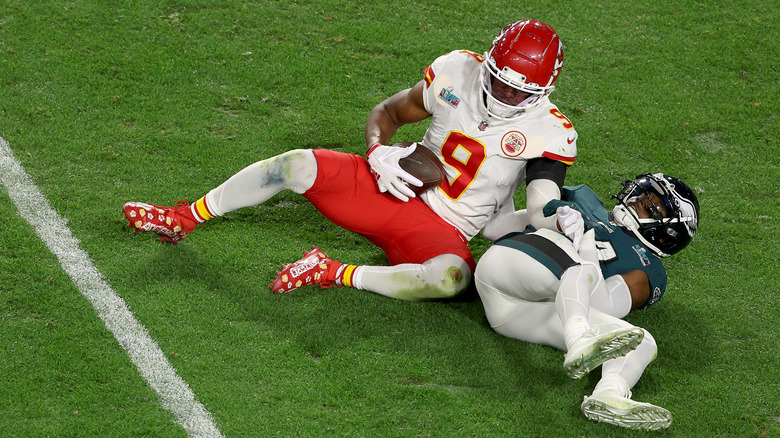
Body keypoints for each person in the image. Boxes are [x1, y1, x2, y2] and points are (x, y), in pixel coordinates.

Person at [122, 19, 579, 301]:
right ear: (490, 59)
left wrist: (561, 220)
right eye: (499, 80)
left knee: (454, 279)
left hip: (442, 228)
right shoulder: (458, 69)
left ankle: (330, 271)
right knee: (297, 163)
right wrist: (379, 152)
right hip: (391, 186)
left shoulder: (549, 131)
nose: (504, 94)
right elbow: (389, 113)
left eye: (521, 91)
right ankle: (184, 217)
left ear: (545, 91)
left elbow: (541, 204)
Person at [474, 173, 700, 430]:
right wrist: (541, 212)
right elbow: (494, 228)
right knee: (581, 270)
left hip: (513, 313)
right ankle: (578, 339)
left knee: (640, 340)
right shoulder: (585, 203)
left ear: (665, 233)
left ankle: (609, 394)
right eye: (641, 193)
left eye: (648, 205)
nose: (635, 199)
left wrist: (587, 245)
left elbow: (601, 305)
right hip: (507, 265)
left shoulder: (647, 268)